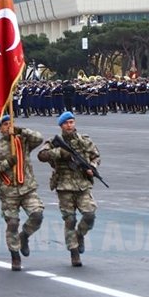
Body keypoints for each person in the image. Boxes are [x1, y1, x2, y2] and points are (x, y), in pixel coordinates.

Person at [38, 111, 100, 267]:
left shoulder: (84, 141)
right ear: (61, 126)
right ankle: (74, 252)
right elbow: (42, 155)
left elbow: (96, 156)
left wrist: (92, 167)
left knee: (89, 214)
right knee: (70, 219)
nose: (69, 125)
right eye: (66, 123)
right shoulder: (54, 141)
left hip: (82, 185)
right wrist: (61, 153)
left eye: (71, 122)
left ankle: (80, 235)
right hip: (64, 186)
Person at [0, 115, 45, 271]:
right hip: (8, 190)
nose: (8, 126)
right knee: (12, 224)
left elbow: (39, 138)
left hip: (27, 188)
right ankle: (15, 255)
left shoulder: (22, 141)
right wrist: (7, 163)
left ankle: (24, 236)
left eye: (10, 123)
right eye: (4, 124)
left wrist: (20, 130)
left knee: (37, 215)